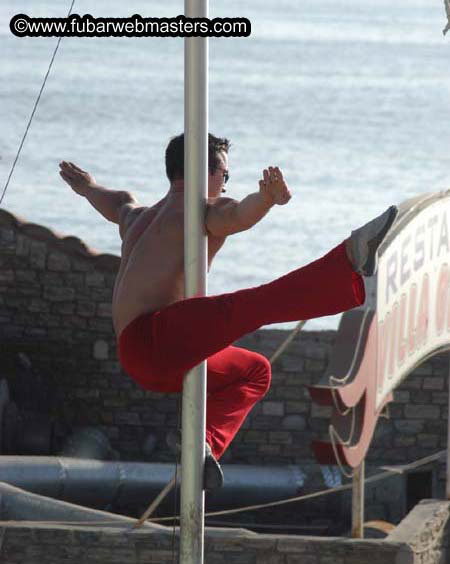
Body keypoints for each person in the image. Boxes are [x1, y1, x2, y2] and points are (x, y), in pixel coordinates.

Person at [59, 133, 397, 490]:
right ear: (201, 171)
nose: (224, 183)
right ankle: (347, 259)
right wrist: (266, 200)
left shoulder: (134, 216)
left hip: (137, 356)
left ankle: (202, 445)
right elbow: (238, 213)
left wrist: (86, 186)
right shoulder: (202, 211)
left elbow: (109, 200)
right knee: (252, 305)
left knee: (255, 371)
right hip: (158, 337)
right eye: (224, 175)